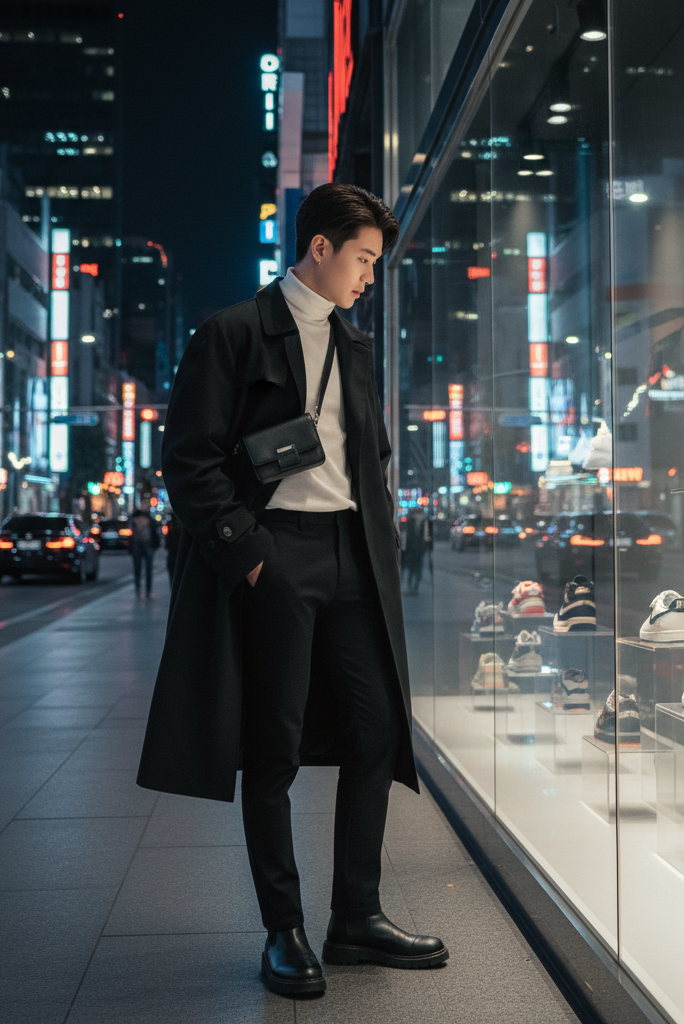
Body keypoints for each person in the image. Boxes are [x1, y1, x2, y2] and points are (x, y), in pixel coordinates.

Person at [136, 182, 448, 997]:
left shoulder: (354, 341)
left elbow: (364, 456)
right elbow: (189, 459)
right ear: (320, 248)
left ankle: (357, 918)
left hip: (353, 555)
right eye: (364, 258)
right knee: (271, 747)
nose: (369, 275)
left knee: (378, 729)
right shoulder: (234, 332)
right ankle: (284, 930)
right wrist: (248, 551)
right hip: (279, 555)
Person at [401, 508, 432, 595]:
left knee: (417, 570)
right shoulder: (408, 524)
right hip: (411, 551)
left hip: (418, 552)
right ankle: (411, 587)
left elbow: (426, 538)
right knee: (412, 569)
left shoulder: (423, 524)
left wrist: (424, 549)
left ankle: (414, 587)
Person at [129, 507, 159, 596]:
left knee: (137, 569)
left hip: (137, 547)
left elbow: (131, 536)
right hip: (147, 546)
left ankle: (138, 588)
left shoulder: (134, 521)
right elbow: (154, 533)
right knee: (148, 569)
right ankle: (148, 590)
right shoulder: (150, 521)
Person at [162, 513, 180, 586]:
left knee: (172, 578)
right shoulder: (181, 529)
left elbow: (166, 544)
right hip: (180, 555)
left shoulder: (169, 528)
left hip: (172, 555)